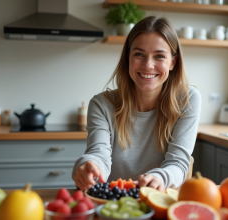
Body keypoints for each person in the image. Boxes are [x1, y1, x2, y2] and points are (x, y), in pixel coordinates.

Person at [72, 16, 201, 192]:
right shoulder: (101, 105)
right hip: (113, 205)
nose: (148, 65)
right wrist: (89, 166)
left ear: (172, 62)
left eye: (159, 56)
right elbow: (99, 155)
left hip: (159, 201)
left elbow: (178, 163)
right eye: (139, 54)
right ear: (128, 58)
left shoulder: (188, 100)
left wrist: (159, 178)